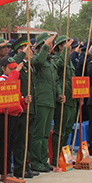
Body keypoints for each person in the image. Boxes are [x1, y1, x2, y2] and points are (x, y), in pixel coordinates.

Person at [0, 56, 27, 178]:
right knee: (5, 145)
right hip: (5, 115)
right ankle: (4, 171)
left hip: (15, 115)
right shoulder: (2, 80)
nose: (13, 71)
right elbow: (7, 89)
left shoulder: (12, 80)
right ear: (3, 68)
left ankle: (9, 170)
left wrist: (24, 102)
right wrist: (16, 73)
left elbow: (17, 97)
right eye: (10, 69)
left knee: (11, 144)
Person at [30, 32, 57, 172]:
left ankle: (43, 160)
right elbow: (38, 62)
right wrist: (45, 47)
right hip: (40, 101)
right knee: (38, 134)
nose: (52, 46)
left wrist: (59, 95)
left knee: (46, 133)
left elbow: (54, 81)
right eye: (48, 44)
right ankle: (35, 161)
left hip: (50, 100)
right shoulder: (36, 58)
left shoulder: (50, 61)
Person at [12, 37, 37, 179]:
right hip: (22, 108)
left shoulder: (29, 66)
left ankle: (26, 166)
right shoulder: (18, 65)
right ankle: (19, 168)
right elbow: (15, 60)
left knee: (29, 140)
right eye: (29, 49)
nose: (32, 51)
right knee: (21, 141)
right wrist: (22, 53)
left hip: (31, 107)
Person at [51, 36, 76, 164]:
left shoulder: (70, 61)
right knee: (60, 129)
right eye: (67, 45)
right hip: (63, 99)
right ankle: (56, 157)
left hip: (72, 98)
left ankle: (64, 156)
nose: (70, 47)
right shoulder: (56, 59)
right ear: (60, 46)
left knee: (67, 129)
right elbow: (59, 69)